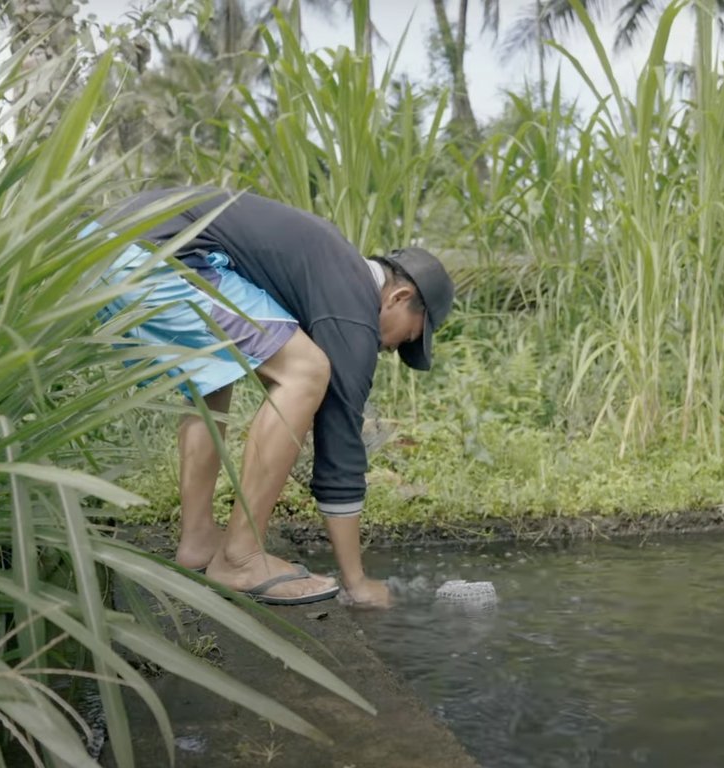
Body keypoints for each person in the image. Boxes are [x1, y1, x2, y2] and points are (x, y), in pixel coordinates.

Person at [85, 187, 454, 608]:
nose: (388, 350)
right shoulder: (353, 307)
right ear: (399, 297)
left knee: (214, 374)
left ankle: (199, 539)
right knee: (306, 370)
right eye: (405, 337)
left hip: (108, 244)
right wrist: (357, 583)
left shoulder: (330, 270)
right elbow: (340, 448)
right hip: (152, 252)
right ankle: (241, 558)